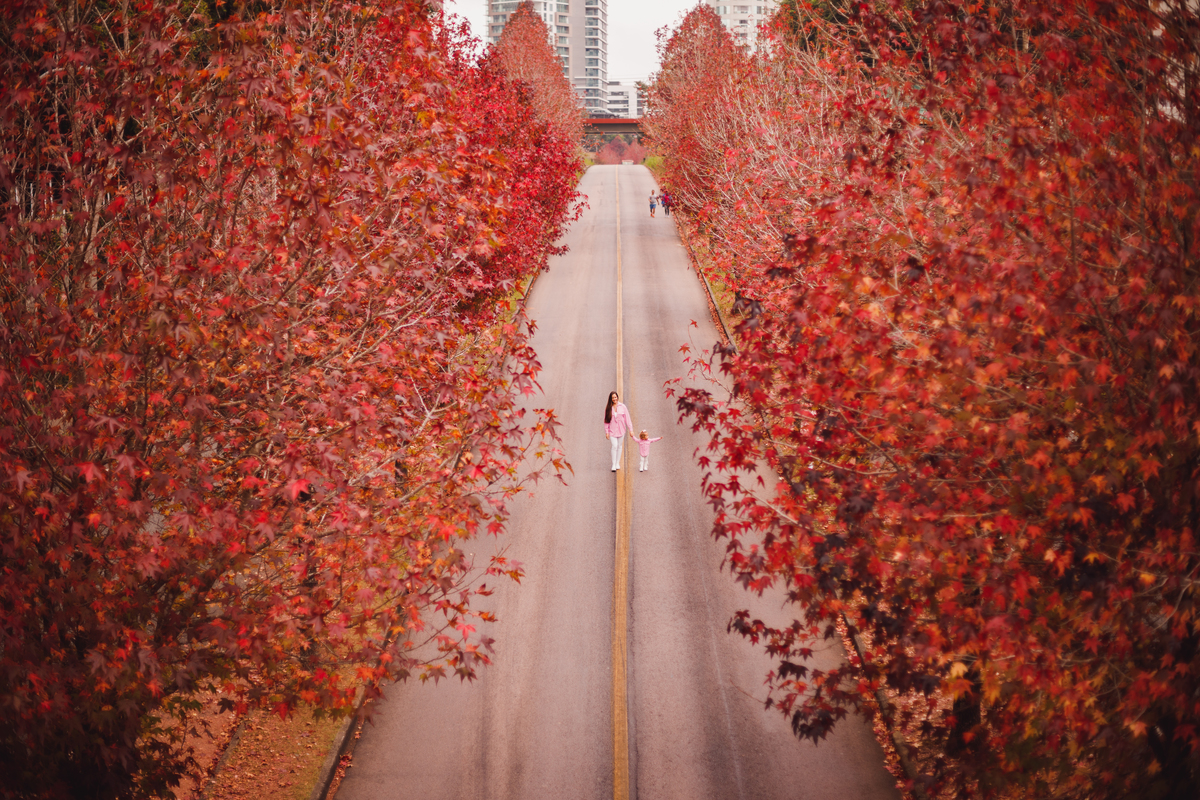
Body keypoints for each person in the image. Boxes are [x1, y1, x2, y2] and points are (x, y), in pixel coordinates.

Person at [604, 391, 634, 471]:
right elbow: (606, 421)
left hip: (621, 430)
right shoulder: (608, 408)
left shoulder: (622, 407)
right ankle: (613, 464)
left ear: (617, 397)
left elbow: (627, 419)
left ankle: (617, 463)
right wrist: (607, 432)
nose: (614, 399)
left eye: (615, 397)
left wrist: (631, 430)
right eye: (613, 398)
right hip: (612, 431)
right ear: (611, 399)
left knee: (619, 446)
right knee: (614, 446)